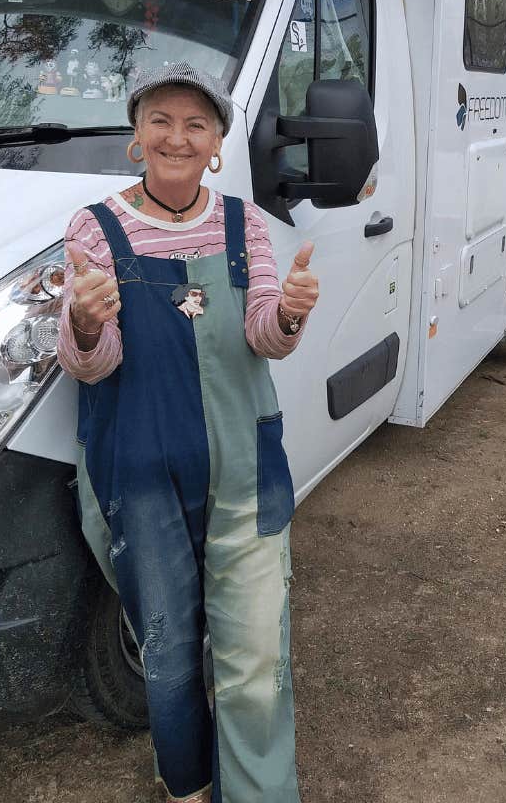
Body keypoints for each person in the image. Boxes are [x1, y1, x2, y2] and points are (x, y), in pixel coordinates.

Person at [57, 61, 318, 803]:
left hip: (244, 467)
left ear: (218, 145)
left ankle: (259, 793)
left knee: (256, 651)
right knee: (168, 652)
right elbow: (91, 365)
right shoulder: (94, 228)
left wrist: (289, 311)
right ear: (137, 136)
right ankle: (188, 783)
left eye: (196, 124)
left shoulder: (244, 224)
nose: (178, 137)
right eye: (161, 121)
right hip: (139, 473)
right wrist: (84, 321)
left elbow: (263, 336)